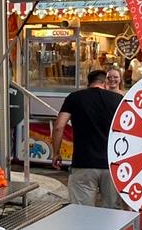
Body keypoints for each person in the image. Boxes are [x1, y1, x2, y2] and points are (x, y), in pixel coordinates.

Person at [51, 68, 123, 208]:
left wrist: (56, 152)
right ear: (105, 82)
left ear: (88, 82)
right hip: (112, 165)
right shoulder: (118, 99)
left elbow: (59, 126)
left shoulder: (74, 97)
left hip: (83, 163)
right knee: (113, 213)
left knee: (81, 212)